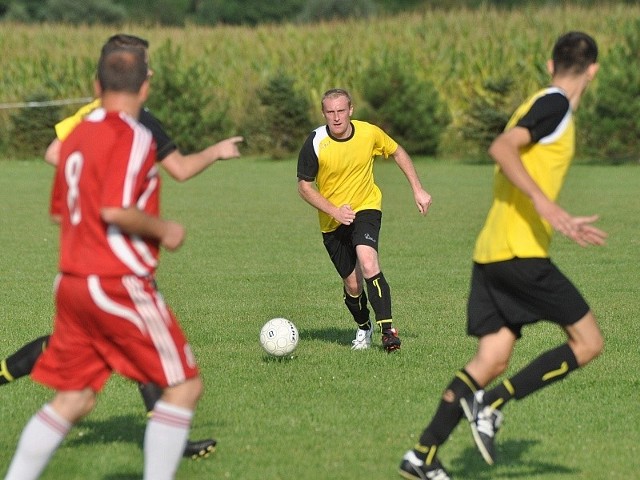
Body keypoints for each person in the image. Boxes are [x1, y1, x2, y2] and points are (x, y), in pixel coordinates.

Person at [0, 33, 242, 459]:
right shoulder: (132, 135)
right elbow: (115, 208)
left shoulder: (76, 135)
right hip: (115, 279)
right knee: (184, 385)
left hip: (72, 280)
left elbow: (62, 208)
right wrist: (163, 229)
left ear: (97, 84)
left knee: (74, 399)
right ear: (145, 84)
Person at [398, 31, 606, 480]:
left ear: (550, 65)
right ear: (593, 70)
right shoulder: (555, 107)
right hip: (520, 253)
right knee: (589, 343)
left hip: (492, 252)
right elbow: (502, 147)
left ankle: (421, 455)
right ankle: (491, 404)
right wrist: (545, 202)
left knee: (490, 360)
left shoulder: (539, 102)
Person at [297, 88, 432, 352]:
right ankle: (363, 326)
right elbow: (304, 187)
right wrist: (334, 211)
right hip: (332, 220)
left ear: (351, 110)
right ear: (324, 113)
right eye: (330, 112)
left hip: (366, 207)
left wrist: (418, 188)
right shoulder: (315, 142)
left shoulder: (369, 133)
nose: (336, 118)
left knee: (369, 262)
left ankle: (388, 331)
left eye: (341, 111)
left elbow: (397, 152)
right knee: (353, 284)